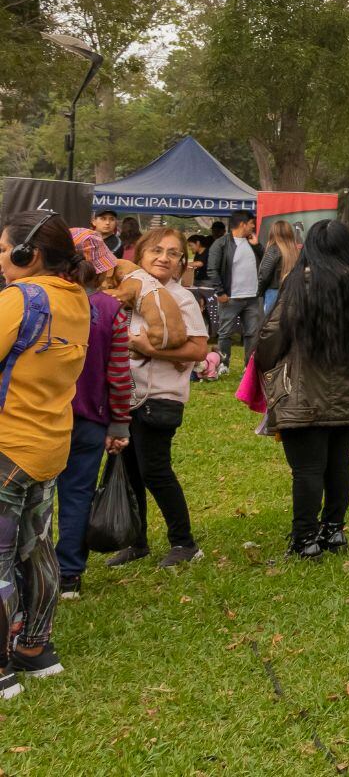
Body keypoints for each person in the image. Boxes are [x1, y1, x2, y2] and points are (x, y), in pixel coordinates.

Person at [253, 219, 349, 560]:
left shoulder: (301, 283)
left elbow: (271, 335)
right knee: (338, 462)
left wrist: (266, 362)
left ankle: (305, 538)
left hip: (304, 390)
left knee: (308, 469)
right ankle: (333, 530)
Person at [0, 214, 90, 691]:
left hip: (8, 444)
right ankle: (35, 649)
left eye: (2, 250)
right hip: (50, 443)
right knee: (37, 552)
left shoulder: (20, 298)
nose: (0, 260)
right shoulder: (78, 299)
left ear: (25, 255)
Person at [116, 226, 210, 568]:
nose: (164, 258)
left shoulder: (180, 298)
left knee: (155, 470)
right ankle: (136, 541)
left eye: (173, 253)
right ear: (139, 255)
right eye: (157, 250)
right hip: (125, 397)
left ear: (181, 262)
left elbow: (199, 348)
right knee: (128, 472)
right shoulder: (130, 293)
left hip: (160, 398)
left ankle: (184, 543)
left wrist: (147, 348)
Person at [55, 230, 131, 600]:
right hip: (90, 419)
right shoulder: (111, 310)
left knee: (26, 499)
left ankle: (22, 571)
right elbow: (118, 373)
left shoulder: (38, 302)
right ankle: (69, 574)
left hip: (38, 418)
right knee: (77, 495)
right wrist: (119, 422)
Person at [207, 210, 264, 372]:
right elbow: (212, 269)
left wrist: (258, 246)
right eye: (252, 223)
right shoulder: (221, 244)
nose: (254, 226)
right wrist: (220, 292)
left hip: (252, 297)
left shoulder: (253, 243)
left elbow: (266, 260)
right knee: (225, 333)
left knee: (252, 333)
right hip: (230, 297)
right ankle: (224, 364)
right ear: (242, 224)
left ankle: (249, 366)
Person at [257, 220, 301, 315]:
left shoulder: (273, 250)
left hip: (274, 293)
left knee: (272, 326)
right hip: (292, 292)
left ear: (273, 233)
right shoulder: (296, 252)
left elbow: (264, 275)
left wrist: (259, 291)